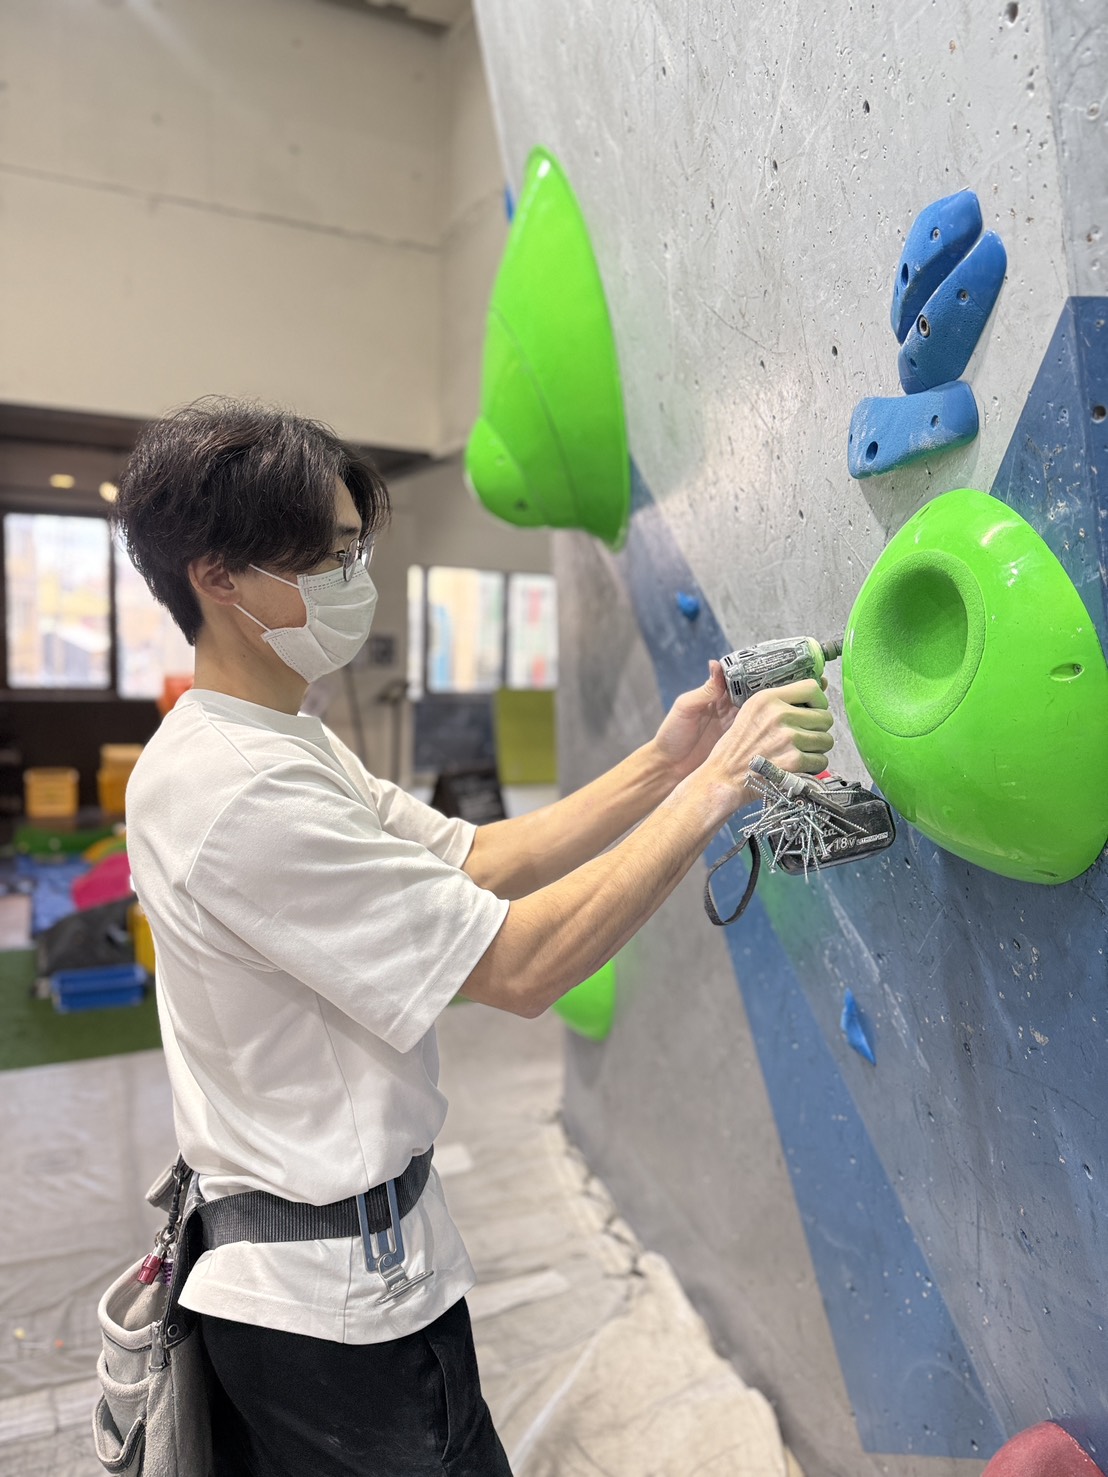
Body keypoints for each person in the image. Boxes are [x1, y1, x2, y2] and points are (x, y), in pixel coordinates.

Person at [117, 397, 834, 1476]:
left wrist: (669, 760)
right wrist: (720, 787)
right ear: (217, 577)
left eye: (354, 550)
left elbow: (480, 857)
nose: (352, 580)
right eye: (325, 557)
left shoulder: (277, 738)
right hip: (329, 1319)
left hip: (364, 1269)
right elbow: (521, 965)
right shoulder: (237, 789)